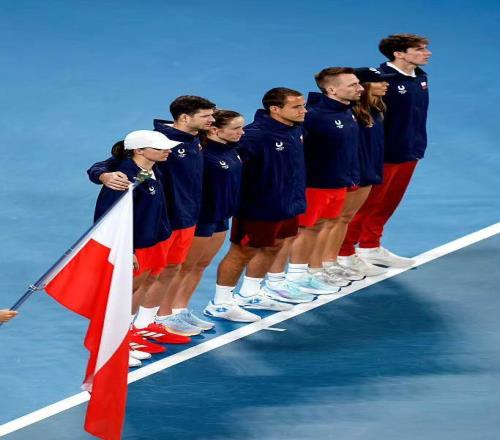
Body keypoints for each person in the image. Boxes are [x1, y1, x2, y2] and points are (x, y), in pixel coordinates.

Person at [88, 96, 216, 338]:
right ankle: (121, 333)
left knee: (169, 270)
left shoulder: (197, 138)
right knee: (143, 278)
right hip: (159, 222)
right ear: (185, 117)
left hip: (183, 221)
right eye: (206, 115)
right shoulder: (154, 142)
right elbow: (107, 165)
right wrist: (103, 176)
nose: (212, 119)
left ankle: (148, 323)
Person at [203, 88, 309, 322]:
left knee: (274, 246)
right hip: (257, 207)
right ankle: (220, 303)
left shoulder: (295, 129)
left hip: (287, 204)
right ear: (275, 109)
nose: (304, 110)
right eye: (297, 106)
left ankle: (250, 293)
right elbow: (227, 162)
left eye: (302, 105)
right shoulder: (253, 135)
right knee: (242, 252)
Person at [343, 34, 431, 268]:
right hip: (383, 155)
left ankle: (370, 246)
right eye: (419, 49)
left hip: (410, 151)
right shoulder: (378, 81)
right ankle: (345, 252)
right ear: (398, 54)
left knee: (388, 203)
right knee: (366, 205)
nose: (427, 53)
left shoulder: (420, 77)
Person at [93, 130, 179, 367]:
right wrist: (126, 250)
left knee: (138, 289)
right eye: (161, 148)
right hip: (134, 247)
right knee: (121, 296)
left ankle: (126, 338)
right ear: (139, 150)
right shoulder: (123, 180)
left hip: (152, 241)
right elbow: (108, 219)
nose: (168, 151)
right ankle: (112, 346)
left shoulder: (154, 168)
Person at [280, 67, 365, 295]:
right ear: (332, 90)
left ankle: (315, 270)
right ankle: (296, 276)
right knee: (307, 229)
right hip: (315, 184)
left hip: (337, 181)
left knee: (323, 226)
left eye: (358, 83)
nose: (360, 88)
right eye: (353, 85)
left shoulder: (347, 111)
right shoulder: (313, 116)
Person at [168, 110, 244, 328]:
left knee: (201, 265)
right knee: (184, 267)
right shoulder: (201, 154)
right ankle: (166, 315)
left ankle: (181, 310)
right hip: (201, 218)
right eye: (236, 128)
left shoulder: (232, 148)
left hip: (221, 217)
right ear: (214, 130)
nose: (242, 132)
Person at [327, 67, 396, 277]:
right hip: (355, 175)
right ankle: (333, 260)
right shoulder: (352, 113)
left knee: (346, 218)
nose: (385, 85)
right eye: (379, 82)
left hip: (368, 172)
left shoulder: (375, 109)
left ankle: (341, 259)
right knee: (338, 219)